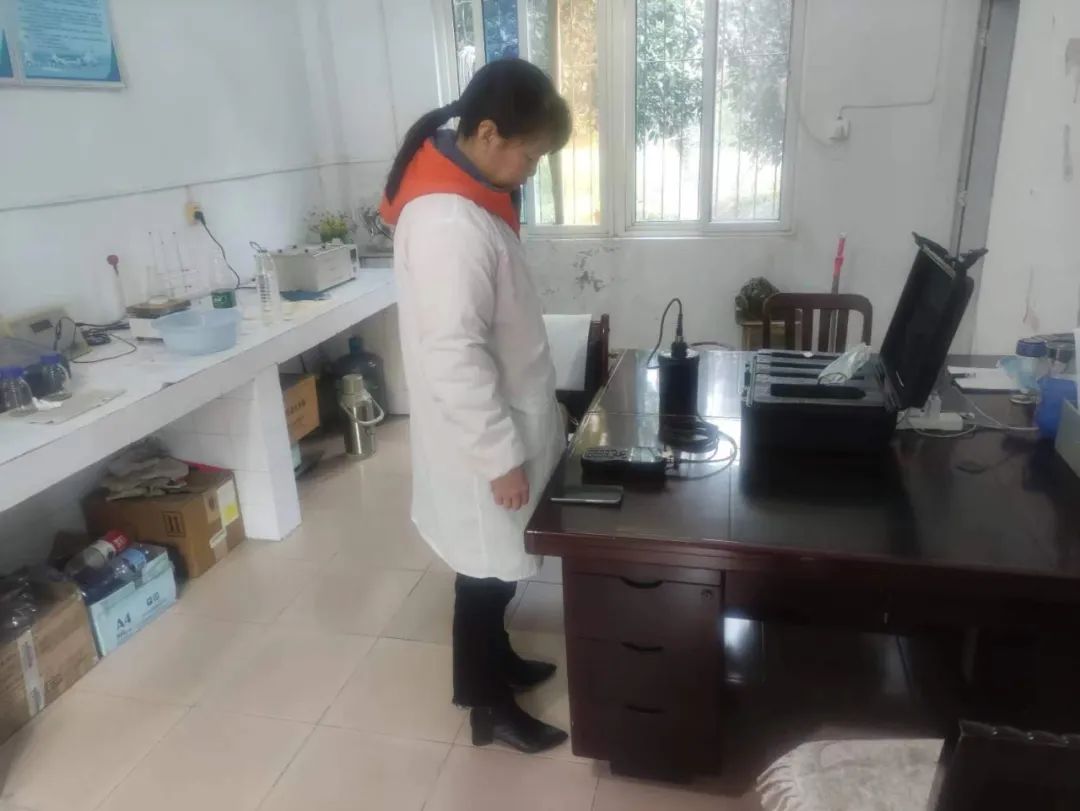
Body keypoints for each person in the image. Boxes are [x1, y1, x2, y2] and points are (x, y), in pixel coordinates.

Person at [379, 59, 572, 754]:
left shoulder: (466, 200)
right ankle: (488, 708)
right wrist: (500, 458)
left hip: (500, 420)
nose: (531, 170)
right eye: (530, 155)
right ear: (488, 134)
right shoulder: (448, 223)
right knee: (483, 574)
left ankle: (499, 663)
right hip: (483, 442)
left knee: (492, 570)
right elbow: (454, 355)